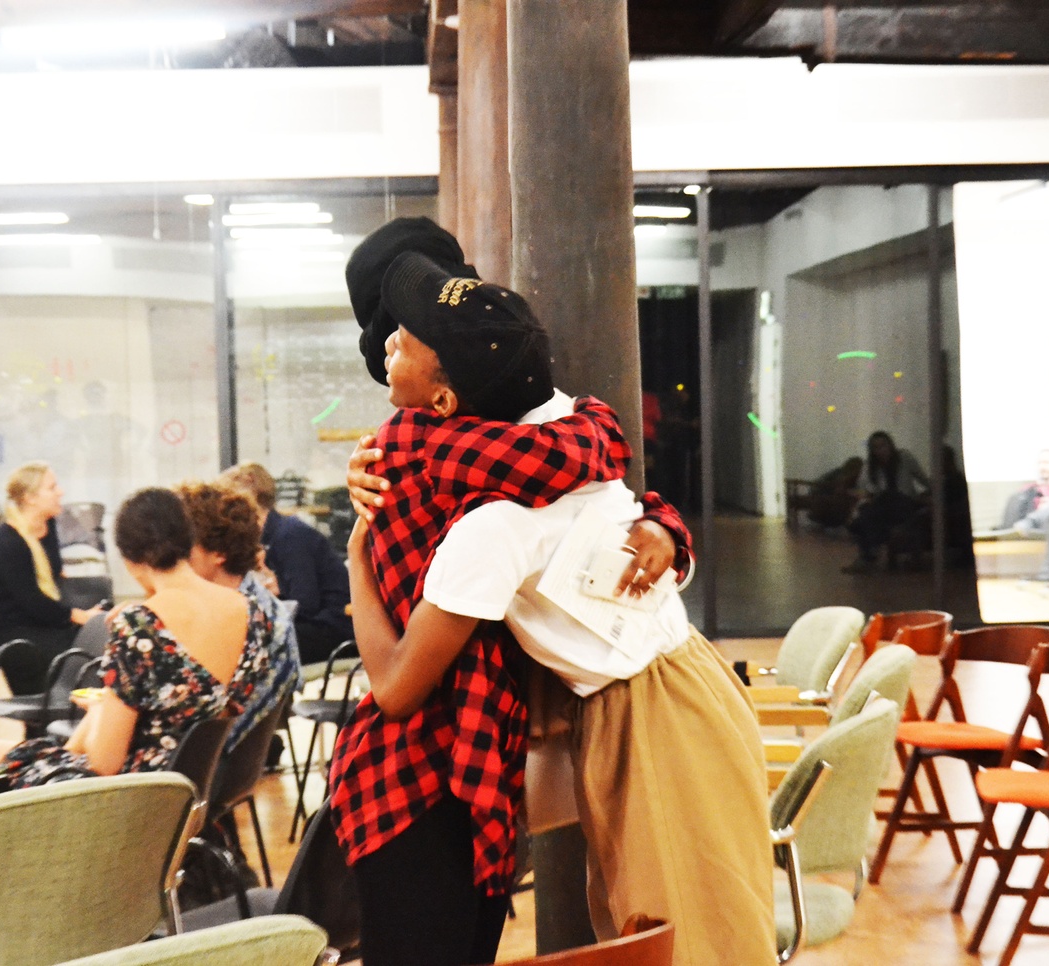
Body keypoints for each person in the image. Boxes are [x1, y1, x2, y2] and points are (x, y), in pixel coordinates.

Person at [337, 251, 777, 966]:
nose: (388, 341)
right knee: (653, 923)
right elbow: (602, 454)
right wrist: (666, 528)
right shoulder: (567, 432)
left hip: (652, 706)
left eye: (406, 337)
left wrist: (354, 557)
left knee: (690, 938)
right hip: (665, 690)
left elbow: (394, 689)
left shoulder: (489, 518)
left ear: (446, 401)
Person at [0, 487, 271, 789]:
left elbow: (103, 763)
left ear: (130, 558)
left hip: (124, 798)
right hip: (178, 791)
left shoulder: (140, 625)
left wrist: (102, 708)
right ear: (188, 541)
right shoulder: (252, 613)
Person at [175, 480, 300, 753]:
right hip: (215, 759)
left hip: (202, 766)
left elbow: (203, 725)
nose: (175, 557)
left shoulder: (247, 617)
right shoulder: (239, 602)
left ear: (218, 554)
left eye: (185, 547)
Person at [0, 461, 105, 696]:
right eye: (52, 487)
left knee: (96, 640)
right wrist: (80, 616)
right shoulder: (8, 541)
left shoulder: (48, 527)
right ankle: (54, 718)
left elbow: (52, 578)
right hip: (11, 632)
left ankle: (83, 716)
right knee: (77, 650)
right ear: (30, 498)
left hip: (40, 624)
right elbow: (32, 601)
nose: (61, 492)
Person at [217, 461, 353, 664]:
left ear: (249, 501)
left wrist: (276, 593)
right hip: (310, 625)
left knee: (250, 643)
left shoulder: (290, 536)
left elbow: (305, 605)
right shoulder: (269, 537)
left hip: (330, 629)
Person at [843, 430, 930, 573]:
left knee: (886, 497)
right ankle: (868, 554)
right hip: (883, 510)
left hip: (904, 504)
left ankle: (868, 554)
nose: (881, 451)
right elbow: (864, 489)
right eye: (876, 448)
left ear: (890, 445)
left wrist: (933, 494)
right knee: (870, 509)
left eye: (883, 445)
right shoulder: (870, 467)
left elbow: (923, 478)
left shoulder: (904, 458)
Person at [1000, 448, 1049, 581]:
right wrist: (1040, 508)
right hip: (1038, 526)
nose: (1044, 467)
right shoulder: (1029, 489)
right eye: (1041, 463)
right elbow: (1017, 511)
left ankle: (1032, 520)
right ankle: (1048, 570)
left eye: (1047, 463)